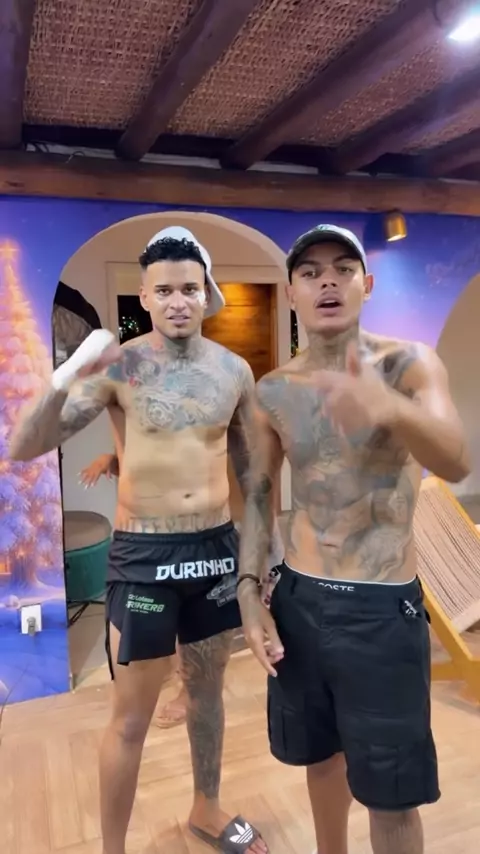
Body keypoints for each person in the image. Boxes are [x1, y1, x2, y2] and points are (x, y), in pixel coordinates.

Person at [10, 226, 284, 854]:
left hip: (214, 549)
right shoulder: (121, 367)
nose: (178, 301)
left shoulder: (234, 370)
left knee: (207, 695)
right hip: (145, 556)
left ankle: (206, 809)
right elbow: (25, 444)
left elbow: (254, 477)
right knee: (131, 716)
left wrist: (263, 564)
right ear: (144, 296)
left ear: (206, 293)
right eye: (164, 291)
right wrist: (69, 372)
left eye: (189, 288)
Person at [237, 224, 470, 854]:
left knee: (391, 795)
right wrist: (249, 593)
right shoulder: (272, 390)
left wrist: (388, 407)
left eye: (342, 269)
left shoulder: (408, 364)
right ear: (291, 291)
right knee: (321, 760)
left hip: (380, 607)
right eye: (310, 273)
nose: (328, 282)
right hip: (300, 600)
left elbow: (456, 460)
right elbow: (258, 496)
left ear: (365, 285)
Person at [80, 450, 189, 729]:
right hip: (147, 536)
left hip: (188, 531)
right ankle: (166, 668)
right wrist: (108, 460)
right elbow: (140, 465)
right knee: (155, 608)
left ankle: (188, 691)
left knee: (187, 617)